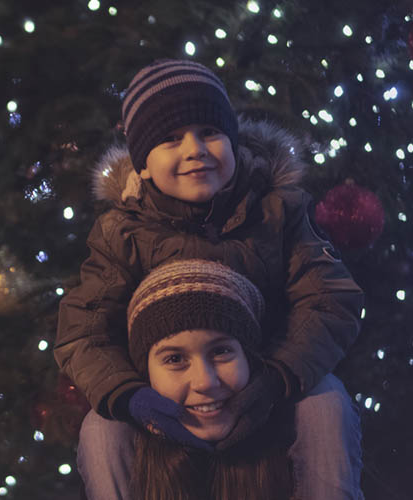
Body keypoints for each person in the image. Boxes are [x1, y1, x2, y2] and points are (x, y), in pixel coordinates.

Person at [54, 59, 364, 499]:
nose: (195, 149)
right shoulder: (122, 233)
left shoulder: (278, 212)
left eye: (210, 133)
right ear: (141, 165)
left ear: (233, 142)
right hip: (167, 391)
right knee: (100, 427)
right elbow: (81, 329)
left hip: (266, 380)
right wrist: (129, 396)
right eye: (170, 139)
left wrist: (276, 378)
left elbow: (330, 300)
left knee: (327, 400)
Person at [116, 259, 294, 499]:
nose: (205, 382)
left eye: (221, 352)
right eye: (175, 359)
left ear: (249, 357)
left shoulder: (297, 448)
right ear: (146, 373)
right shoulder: (124, 462)